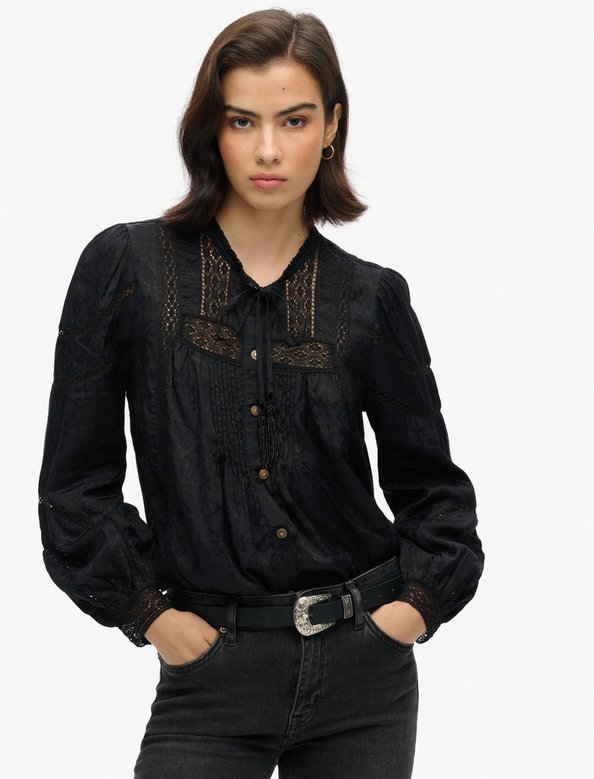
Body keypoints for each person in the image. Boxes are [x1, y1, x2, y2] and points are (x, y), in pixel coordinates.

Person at [38, 8, 484, 778]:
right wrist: (152, 615)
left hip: (366, 675)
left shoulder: (370, 299)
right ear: (211, 128)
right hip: (210, 671)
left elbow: (433, 492)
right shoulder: (127, 269)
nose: (268, 149)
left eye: (294, 120)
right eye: (242, 120)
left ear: (331, 126)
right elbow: (75, 486)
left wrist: (406, 613)